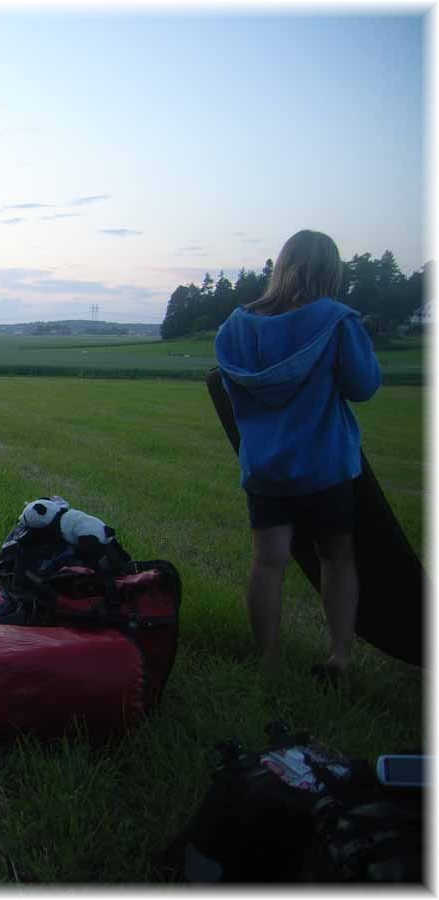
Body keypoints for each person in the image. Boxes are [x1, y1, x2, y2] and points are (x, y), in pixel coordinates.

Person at [214, 229, 381, 685]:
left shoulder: (236, 325)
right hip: (326, 462)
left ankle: (267, 662)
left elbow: (230, 390)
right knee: (336, 558)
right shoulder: (339, 321)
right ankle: (339, 658)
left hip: (265, 466)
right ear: (332, 271)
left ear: (281, 265)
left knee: (268, 561)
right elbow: (363, 386)